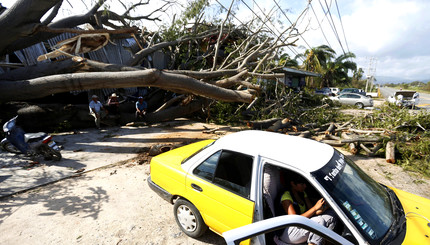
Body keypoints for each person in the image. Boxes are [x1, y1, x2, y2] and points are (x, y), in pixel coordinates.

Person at [275, 175, 337, 245]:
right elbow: (294, 220)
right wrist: (315, 208)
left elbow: (311, 212)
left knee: (330, 216)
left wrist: (323, 208)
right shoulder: (286, 196)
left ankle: (325, 242)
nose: (305, 186)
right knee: (319, 221)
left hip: (302, 224)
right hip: (288, 232)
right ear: (293, 184)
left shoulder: (302, 193)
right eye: (302, 184)